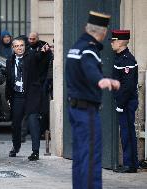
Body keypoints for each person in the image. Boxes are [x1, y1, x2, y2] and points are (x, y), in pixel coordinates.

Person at [65, 11, 120, 189]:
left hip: (75, 108)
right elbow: (89, 67)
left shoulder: (76, 47)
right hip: (86, 111)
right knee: (91, 157)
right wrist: (101, 79)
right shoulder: (89, 49)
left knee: (80, 156)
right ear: (102, 32)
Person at [5, 37, 50, 161]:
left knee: (33, 122)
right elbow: (9, 80)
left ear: (25, 47)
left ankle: (35, 151)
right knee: (16, 124)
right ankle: (16, 147)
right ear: (13, 48)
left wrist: (44, 50)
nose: (19, 48)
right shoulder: (9, 61)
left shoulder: (30, 57)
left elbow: (39, 56)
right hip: (17, 96)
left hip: (31, 95)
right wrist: (8, 97)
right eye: (17, 46)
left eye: (21, 45)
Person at [111, 30, 139, 173]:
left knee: (127, 133)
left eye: (113, 40)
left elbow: (128, 86)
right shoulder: (120, 57)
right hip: (124, 101)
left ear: (121, 42)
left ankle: (130, 164)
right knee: (127, 132)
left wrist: (121, 104)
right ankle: (131, 163)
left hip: (127, 102)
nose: (112, 43)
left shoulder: (127, 59)